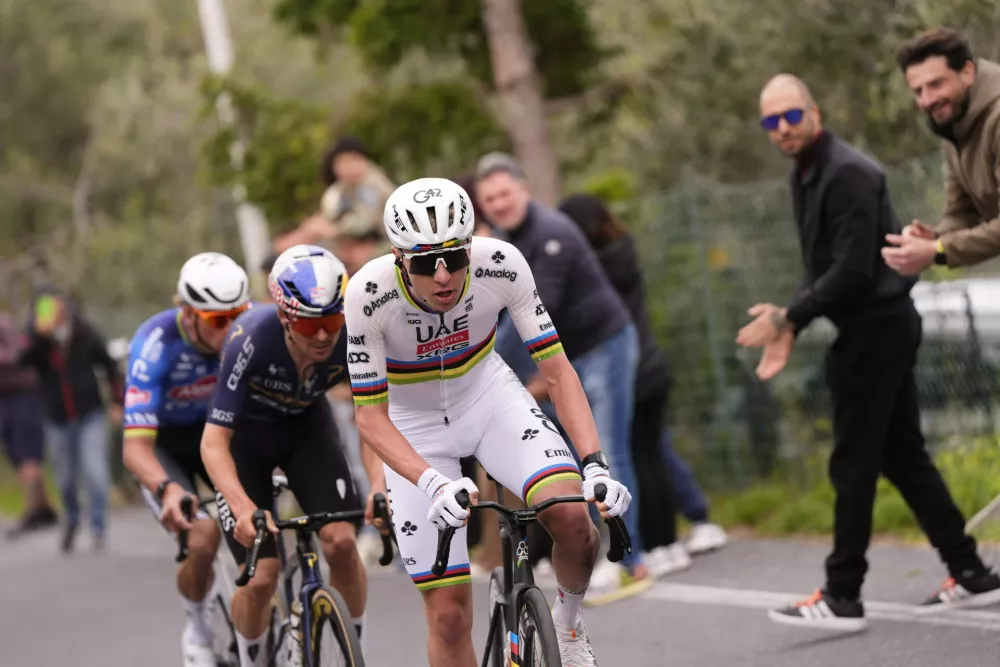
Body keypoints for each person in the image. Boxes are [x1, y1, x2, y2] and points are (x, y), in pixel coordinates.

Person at [738, 73, 1000, 631]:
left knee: (853, 462)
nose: (782, 129)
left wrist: (791, 317)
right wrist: (791, 324)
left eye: (790, 116)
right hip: (866, 329)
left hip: (878, 330)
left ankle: (842, 594)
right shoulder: (806, 174)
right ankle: (971, 571)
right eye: (770, 122)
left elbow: (854, 270)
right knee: (901, 456)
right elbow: (820, 266)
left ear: (815, 111)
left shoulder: (849, 173)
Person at [346, 177, 633, 667]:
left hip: (487, 397)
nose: (442, 277)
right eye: (423, 263)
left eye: (454, 258)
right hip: (413, 426)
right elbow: (370, 418)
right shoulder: (368, 295)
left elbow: (558, 372)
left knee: (571, 518)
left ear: (470, 246)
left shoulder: (500, 263)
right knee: (449, 616)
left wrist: (595, 464)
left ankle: (566, 627)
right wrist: (433, 482)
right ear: (398, 259)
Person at [473, 153, 649, 596]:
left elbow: (529, 311)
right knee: (569, 458)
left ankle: (630, 560)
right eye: (489, 198)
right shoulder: (504, 240)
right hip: (568, 358)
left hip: (602, 346)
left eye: (504, 193)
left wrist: (478, 361)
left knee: (605, 453)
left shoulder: (551, 232)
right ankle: (595, 554)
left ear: (524, 190)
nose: (498, 203)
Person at [200, 245, 369, 667]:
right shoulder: (249, 336)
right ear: (284, 317)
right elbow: (213, 442)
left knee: (343, 542)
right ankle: (253, 659)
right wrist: (241, 508)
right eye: (311, 326)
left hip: (307, 432)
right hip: (246, 443)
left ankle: (351, 645)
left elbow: (373, 419)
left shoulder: (354, 335)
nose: (325, 336)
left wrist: (380, 489)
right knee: (261, 579)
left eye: (333, 320)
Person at [122, 252, 252, 667]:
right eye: (218, 320)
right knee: (202, 537)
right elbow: (134, 447)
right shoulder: (155, 343)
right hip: (163, 441)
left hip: (217, 432)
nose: (231, 327)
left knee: (256, 524)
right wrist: (167, 487)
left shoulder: (246, 334)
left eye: (239, 314)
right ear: (188, 312)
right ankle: (197, 628)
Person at [558, 193, 692, 575]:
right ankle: (666, 540)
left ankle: (654, 543)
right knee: (653, 455)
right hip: (652, 367)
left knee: (635, 458)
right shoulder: (623, 253)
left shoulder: (598, 269)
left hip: (635, 372)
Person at [883, 28, 1000, 274]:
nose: (927, 100)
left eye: (936, 84)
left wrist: (938, 250)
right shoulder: (954, 122)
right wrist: (932, 238)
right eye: (918, 91)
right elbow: (962, 212)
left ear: (967, 72)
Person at [20, 289, 123, 553]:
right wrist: (39, 337)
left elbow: (109, 365)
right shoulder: (37, 339)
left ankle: (98, 527)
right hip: (57, 419)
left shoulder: (83, 332)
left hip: (90, 414)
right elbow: (22, 362)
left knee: (95, 473)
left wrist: (116, 401)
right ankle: (73, 519)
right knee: (65, 479)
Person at [0, 312, 58, 539]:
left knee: (27, 455)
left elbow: (16, 354)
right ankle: (44, 508)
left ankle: (32, 511)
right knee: (20, 456)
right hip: (8, 398)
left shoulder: (4, 326)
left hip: (21, 396)